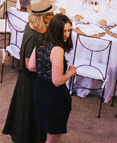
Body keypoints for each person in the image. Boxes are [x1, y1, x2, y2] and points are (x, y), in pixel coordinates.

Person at [3, 0, 53, 143]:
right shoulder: (33, 36)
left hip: (31, 79)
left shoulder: (35, 25)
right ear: (42, 16)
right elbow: (29, 64)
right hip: (31, 80)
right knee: (30, 113)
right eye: (50, 14)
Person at [27, 14, 75, 142]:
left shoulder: (42, 40)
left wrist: (46, 68)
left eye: (69, 30)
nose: (67, 34)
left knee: (46, 130)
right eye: (64, 31)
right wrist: (70, 72)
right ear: (56, 30)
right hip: (54, 97)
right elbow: (57, 81)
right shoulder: (57, 50)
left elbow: (31, 66)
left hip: (39, 91)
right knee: (52, 138)